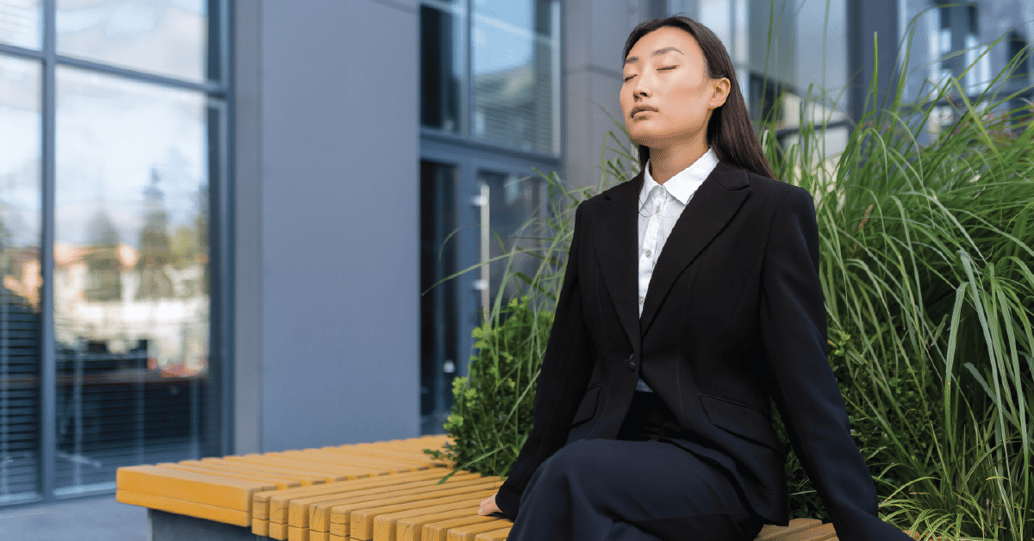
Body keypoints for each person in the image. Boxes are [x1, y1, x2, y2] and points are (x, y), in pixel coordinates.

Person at [475, 15, 914, 541]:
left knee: (569, 477)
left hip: (716, 465)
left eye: (665, 68)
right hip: (608, 455)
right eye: (629, 73)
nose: (640, 85)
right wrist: (517, 488)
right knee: (574, 493)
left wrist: (861, 524)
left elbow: (804, 380)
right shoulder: (599, 218)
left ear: (717, 92)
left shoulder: (769, 211)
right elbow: (566, 368)